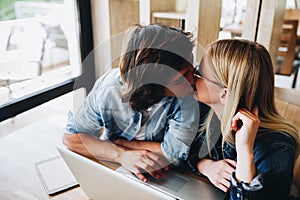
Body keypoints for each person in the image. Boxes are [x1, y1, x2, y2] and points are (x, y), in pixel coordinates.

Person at [63, 24, 201, 182]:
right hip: (114, 167)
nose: (193, 80)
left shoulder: (188, 97)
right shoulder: (109, 89)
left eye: (192, 69)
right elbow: (71, 137)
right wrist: (122, 156)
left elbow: (174, 155)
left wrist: (116, 144)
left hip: (166, 174)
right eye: (181, 78)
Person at [187, 39, 300, 199]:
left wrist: (245, 151)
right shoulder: (209, 113)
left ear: (224, 94)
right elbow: (186, 151)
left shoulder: (277, 147)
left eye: (199, 73)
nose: (191, 77)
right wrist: (205, 166)